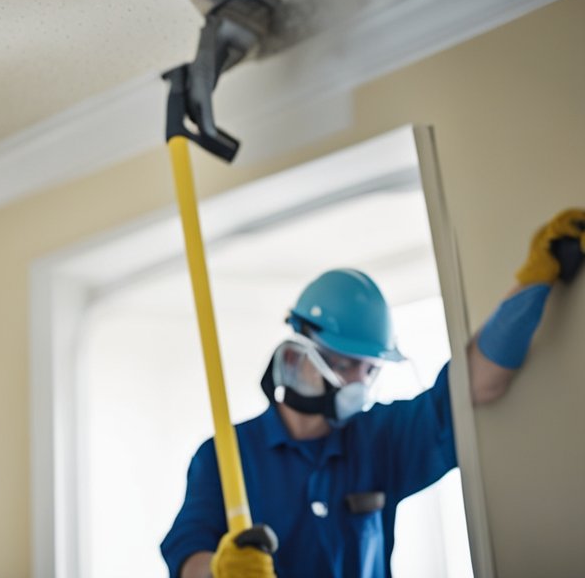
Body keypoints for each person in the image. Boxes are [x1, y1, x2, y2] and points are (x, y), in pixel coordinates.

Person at [160, 208, 585, 578]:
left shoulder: (379, 437)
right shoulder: (225, 457)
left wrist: (534, 279)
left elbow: (478, 382)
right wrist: (219, 569)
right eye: (345, 364)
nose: (358, 384)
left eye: (370, 369)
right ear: (299, 354)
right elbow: (186, 559)